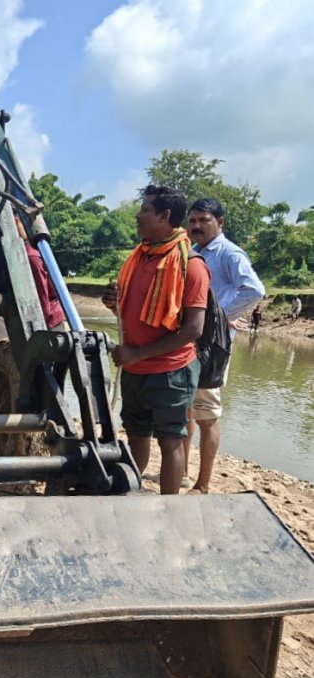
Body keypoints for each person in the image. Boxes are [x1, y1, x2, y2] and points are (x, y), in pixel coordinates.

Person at [102, 185, 209, 494]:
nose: (138, 215)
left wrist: (138, 353)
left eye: (145, 210)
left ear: (165, 216)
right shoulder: (139, 258)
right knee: (136, 435)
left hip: (170, 371)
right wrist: (113, 301)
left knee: (170, 440)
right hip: (135, 369)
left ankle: (168, 508)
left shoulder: (192, 265)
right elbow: (131, 309)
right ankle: (131, 495)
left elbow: (193, 330)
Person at [183, 198, 265, 493]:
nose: (196, 226)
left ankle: (203, 484)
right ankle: (182, 471)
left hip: (213, 348)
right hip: (190, 341)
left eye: (203, 220)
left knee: (206, 414)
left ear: (220, 222)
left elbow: (254, 289)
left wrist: (219, 318)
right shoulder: (193, 253)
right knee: (186, 410)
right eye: (192, 220)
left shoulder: (229, 253)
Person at [0, 213, 66, 350]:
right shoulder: (24, 252)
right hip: (41, 318)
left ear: (16, 223)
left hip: (49, 325)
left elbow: (42, 304)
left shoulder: (30, 257)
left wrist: (35, 337)